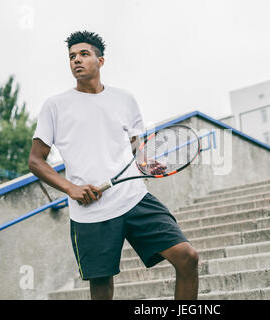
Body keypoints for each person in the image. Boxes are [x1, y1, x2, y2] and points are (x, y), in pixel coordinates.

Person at [28, 30, 199, 300]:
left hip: (134, 198)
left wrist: (146, 161)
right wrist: (71, 188)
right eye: (72, 56)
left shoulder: (124, 99)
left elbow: (135, 147)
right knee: (101, 289)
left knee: (187, 257)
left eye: (84, 54)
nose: (76, 60)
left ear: (101, 61)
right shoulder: (54, 106)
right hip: (90, 213)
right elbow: (36, 160)